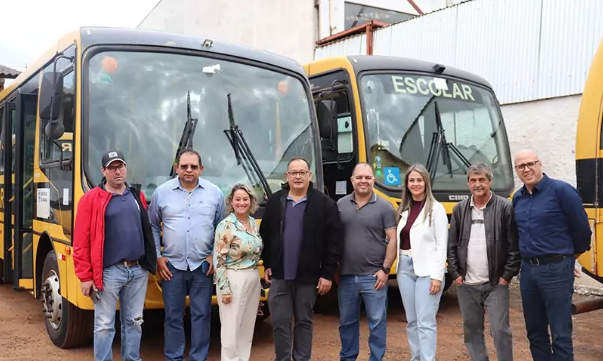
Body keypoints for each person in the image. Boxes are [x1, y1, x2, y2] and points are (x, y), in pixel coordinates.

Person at [73, 150, 157, 361]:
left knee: (134, 321)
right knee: (103, 325)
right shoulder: (90, 199)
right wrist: (85, 276)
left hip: (138, 270)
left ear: (126, 168)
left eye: (121, 166)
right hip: (109, 272)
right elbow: (80, 241)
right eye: (112, 168)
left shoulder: (137, 195)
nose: (117, 171)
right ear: (103, 171)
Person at [259, 157, 343, 361]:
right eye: (293, 173)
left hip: (309, 277)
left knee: (304, 321)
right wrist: (268, 263)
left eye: (302, 172)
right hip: (280, 276)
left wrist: (327, 274)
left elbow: (334, 242)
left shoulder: (325, 204)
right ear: (287, 176)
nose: (297, 176)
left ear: (309, 175)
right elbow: (266, 234)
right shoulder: (276, 201)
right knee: (280, 321)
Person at [512, 149, 591, 361]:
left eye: (531, 163)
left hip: (556, 271)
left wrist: (568, 259)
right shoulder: (517, 198)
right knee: (535, 331)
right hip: (528, 272)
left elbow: (582, 231)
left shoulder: (562, 191)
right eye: (521, 166)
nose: (527, 169)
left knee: (560, 333)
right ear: (516, 170)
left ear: (540, 164)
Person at [148, 149, 226, 361]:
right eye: (184, 166)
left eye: (193, 166)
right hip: (171, 267)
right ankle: (173, 357)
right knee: (173, 316)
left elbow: (222, 228)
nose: (188, 170)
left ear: (201, 169)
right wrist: (157, 255)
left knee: (202, 315)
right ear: (176, 169)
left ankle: (198, 357)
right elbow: (153, 226)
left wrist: (213, 256)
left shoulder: (215, 193)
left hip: (203, 266)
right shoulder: (161, 193)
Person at [447, 162, 521, 361]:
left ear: (490, 181)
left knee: (500, 331)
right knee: (472, 332)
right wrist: (456, 275)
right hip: (467, 285)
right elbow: (451, 245)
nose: (477, 184)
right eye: (473, 180)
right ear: (468, 183)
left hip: (496, 284)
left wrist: (506, 277)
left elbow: (514, 246)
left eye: (481, 179)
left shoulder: (505, 207)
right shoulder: (460, 209)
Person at [336, 163, 397, 361]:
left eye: (368, 177)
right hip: (346, 276)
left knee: (377, 322)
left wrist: (385, 269)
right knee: (347, 322)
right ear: (352, 180)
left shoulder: (385, 207)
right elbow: (333, 238)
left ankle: (376, 359)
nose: (364, 181)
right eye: (359, 177)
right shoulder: (340, 205)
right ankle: (348, 358)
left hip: (374, 277)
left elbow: (393, 239)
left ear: (373, 180)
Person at [394, 163, 448, 361]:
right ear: (407, 184)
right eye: (411, 180)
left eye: (419, 180)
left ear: (426, 183)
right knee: (412, 320)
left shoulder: (436, 209)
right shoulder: (403, 209)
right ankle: (415, 357)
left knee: (425, 321)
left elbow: (442, 244)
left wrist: (438, 276)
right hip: (405, 269)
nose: (415, 184)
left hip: (427, 271)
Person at [214, 184, 263, 361]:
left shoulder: (252, 223)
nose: (241, 203)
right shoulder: (226, 225)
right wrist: (224, 288)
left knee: (247, 326)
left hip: (252, 277)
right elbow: (218, 259)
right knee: (230, 327)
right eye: (238, 199)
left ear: (251, 201)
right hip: (232, 278)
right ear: (231, 202)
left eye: (245, 199)